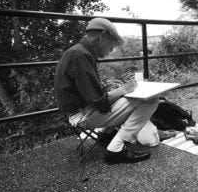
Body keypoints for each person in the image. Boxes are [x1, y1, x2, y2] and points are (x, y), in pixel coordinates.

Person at [54, 18, 159, 164]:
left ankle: (105, 135)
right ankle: (116, 149)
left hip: (79, 111)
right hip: (84, 115)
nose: (112, 50)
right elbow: (100, 103)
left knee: (127, 96)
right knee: (152, 98)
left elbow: (94, 96)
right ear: (102, 36)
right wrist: (123, 90)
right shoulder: (81, 55)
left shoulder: (77, 52)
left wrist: (117, 92)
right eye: (112, 44)